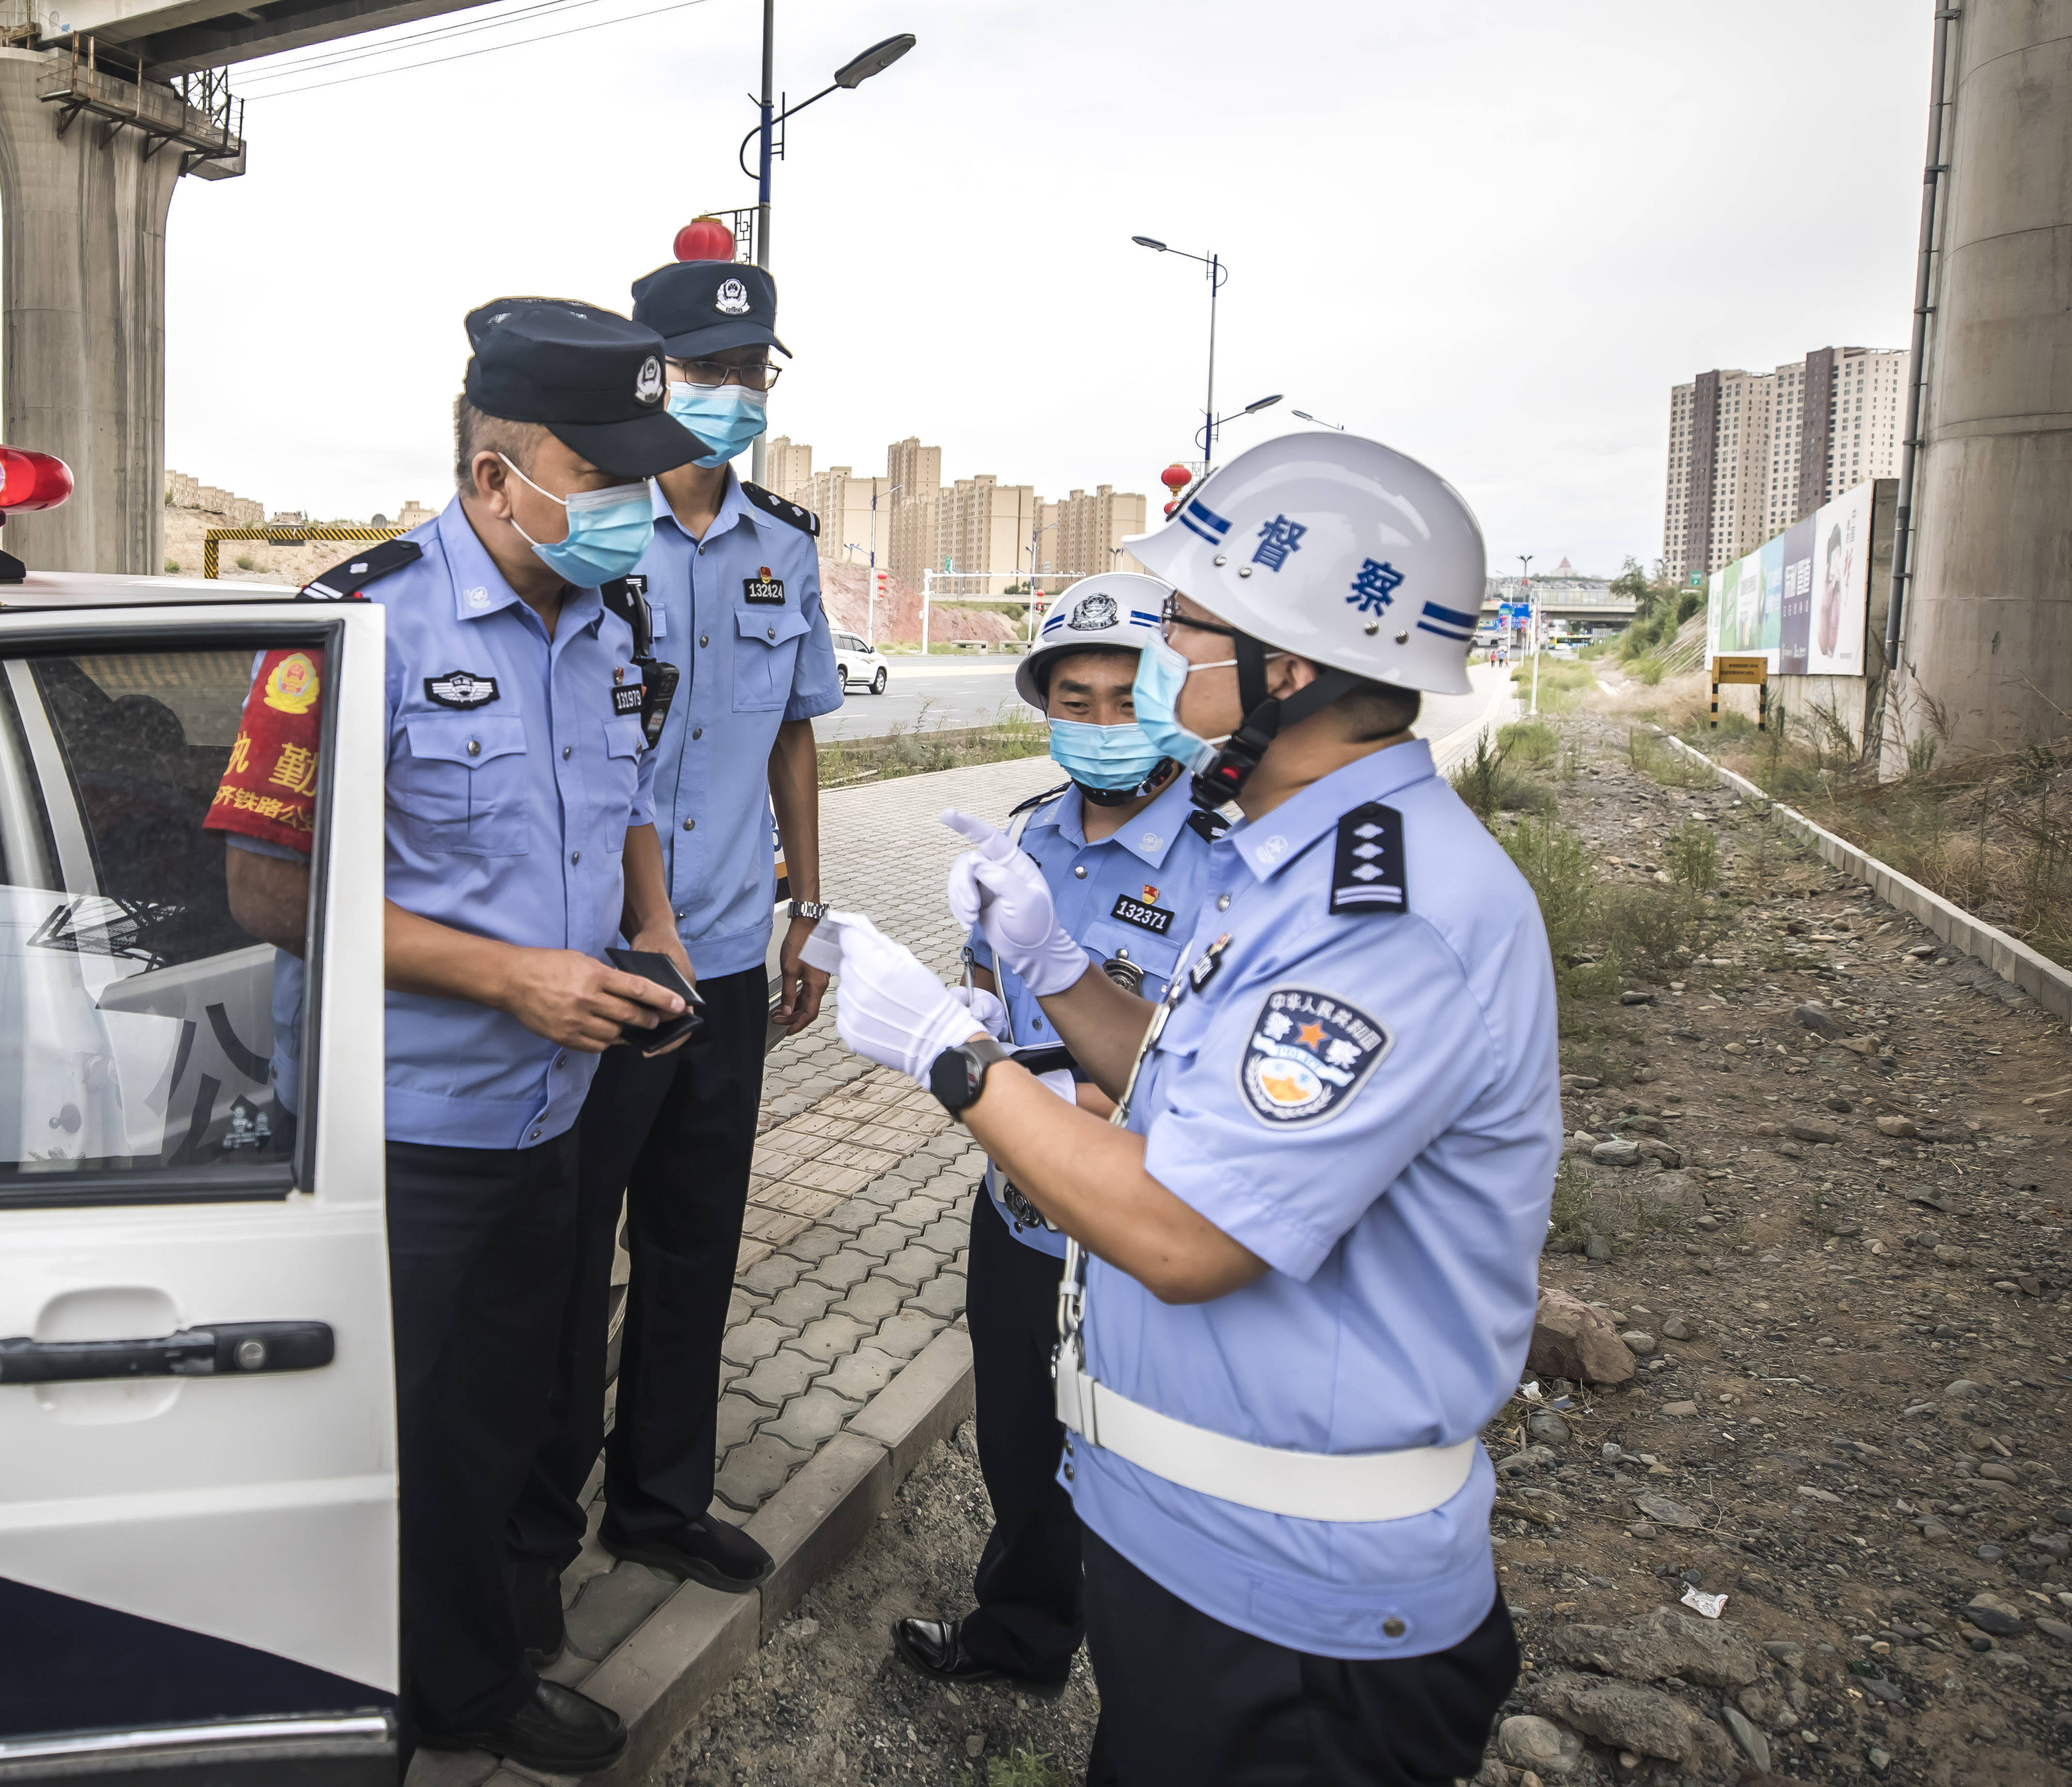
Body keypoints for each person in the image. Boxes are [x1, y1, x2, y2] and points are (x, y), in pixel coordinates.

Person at [821, 432, 1559, 1783]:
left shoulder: (1381, 917)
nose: (1156, 649)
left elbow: (1185, 1227)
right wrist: (1054, 968)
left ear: (1288, 662)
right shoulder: (1293, 857)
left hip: (1298, 1612)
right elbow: (1184, 1090)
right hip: (1212, 1551)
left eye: (1181, 624)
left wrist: (947, 1050)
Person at [208, 297, 709, 1777]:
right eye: (602, 478)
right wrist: (508, 980)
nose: (630, 510)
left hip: (552, 1110)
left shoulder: (600, 618)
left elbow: (621, 797)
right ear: (497, 478)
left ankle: (474, 1652)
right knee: (405, 1436)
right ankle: (428, 1694)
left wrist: (658, 929)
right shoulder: (352, 626)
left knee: (512, 1408)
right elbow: (262, 886)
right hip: (406, 1130)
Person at [506, 259, 842, 1635]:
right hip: (597, 964)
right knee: (568, 1254)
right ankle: (536, 1518)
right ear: (654, 375)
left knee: (693, 1243)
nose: (729, 396)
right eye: (703, 371)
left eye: (749, 373)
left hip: (728, 951)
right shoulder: (587, 522)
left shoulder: (786, 546)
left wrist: (807, 902)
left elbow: (794, 730)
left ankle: (660, 1496)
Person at [887, 570, 1208, 1698]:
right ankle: (1021, 1640)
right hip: (1021, 1220)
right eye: (1075, 701)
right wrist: (971, 1014)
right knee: (1021, 1445)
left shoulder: (1233, 861)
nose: (1102, 726)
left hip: (1147, 1241)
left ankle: (1155, 1693)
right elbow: (988, 986)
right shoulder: (1022, 838)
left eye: (1128, 700)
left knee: (1148, 1477)